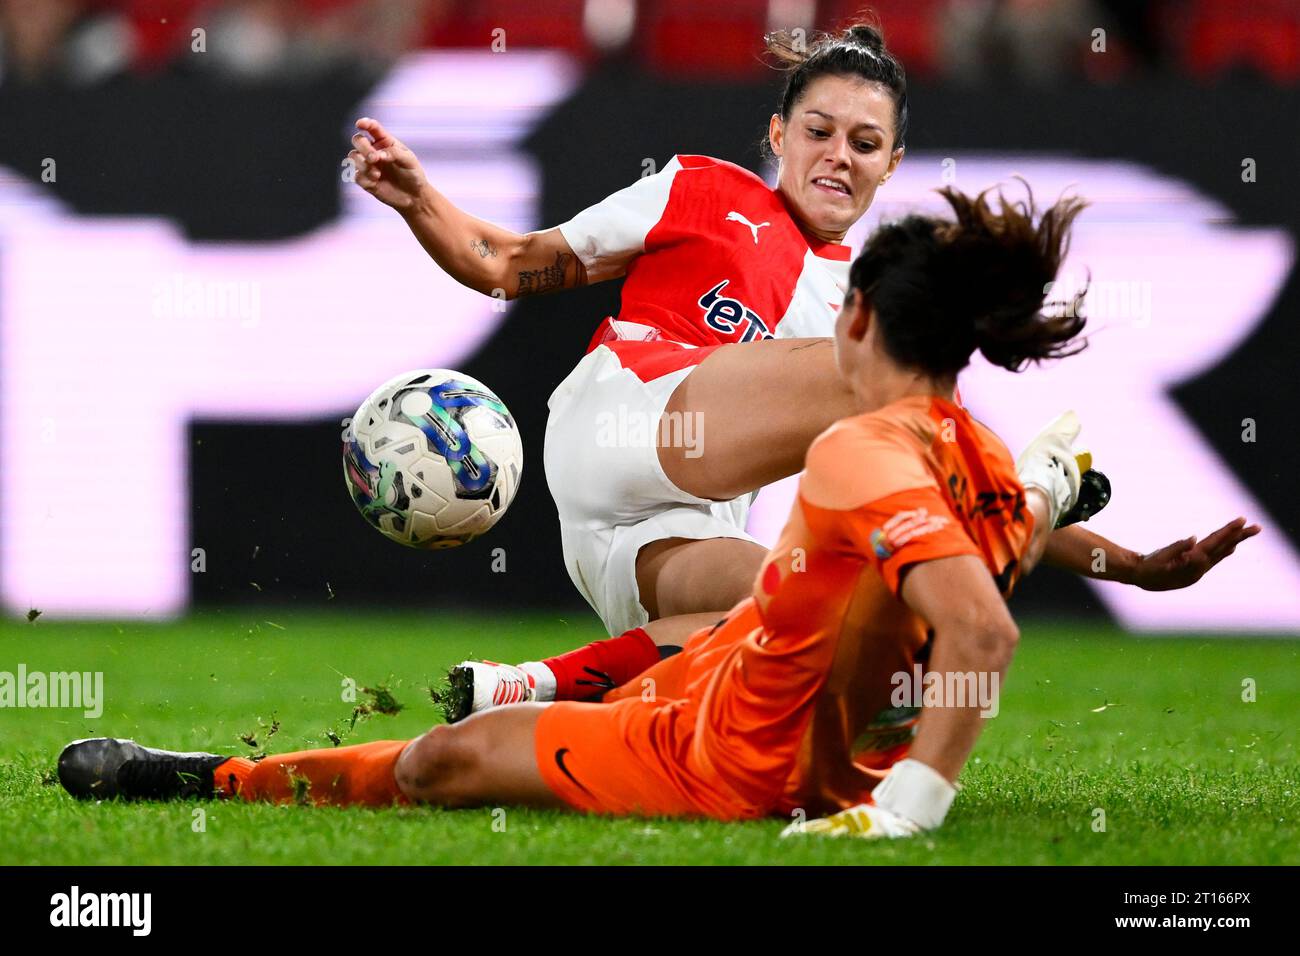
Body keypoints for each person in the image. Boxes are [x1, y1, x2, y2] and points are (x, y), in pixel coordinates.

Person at [57, 185, 1260, 836]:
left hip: (725, 753)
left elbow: (979, 630)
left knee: (441, 764)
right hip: (790, 707)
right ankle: (551, 678)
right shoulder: (973, 453)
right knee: (765, 596)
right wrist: (1111, 552)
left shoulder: (851, 454)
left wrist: (908, 809)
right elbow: (981, 582)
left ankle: (214, 779)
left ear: (853, 327)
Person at [345, 23, 1257, 720]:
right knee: (894, 390)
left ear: (891, 165)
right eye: (819, 130)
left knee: (843, 630)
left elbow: (950, 487)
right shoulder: (703, 190)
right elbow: (510, 265)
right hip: (619, 425)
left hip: (644, 551)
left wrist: (1130, 566)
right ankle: (1033, 464)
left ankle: (535, 689)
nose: (838, 155)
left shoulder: (862, 304)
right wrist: (420, 197)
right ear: (778, 133)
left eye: (865, 144)